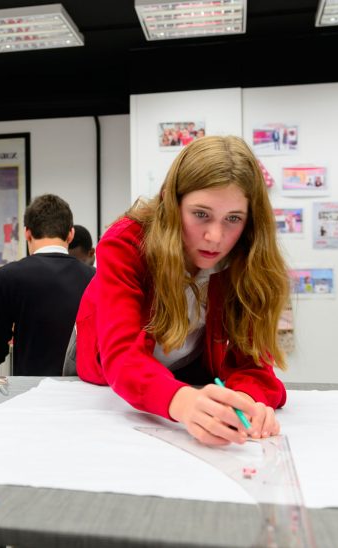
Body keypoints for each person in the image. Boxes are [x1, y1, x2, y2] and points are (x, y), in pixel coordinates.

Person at [75, 136, 289, 447]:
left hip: (185, 368)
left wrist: (242, 401)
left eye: (233, 219)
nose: (215, 236)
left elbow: (253, 364)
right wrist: (182, 402)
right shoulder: (126, 243)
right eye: (201, 214)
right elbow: (122, 356)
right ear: (170, 203)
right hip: (102, 362)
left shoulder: (247, 259)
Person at [0, 194, 95, 376]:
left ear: (27, 233)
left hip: (29, 393)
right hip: (84, 391)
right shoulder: (94, 278)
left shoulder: (8, 276)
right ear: (70, 234)